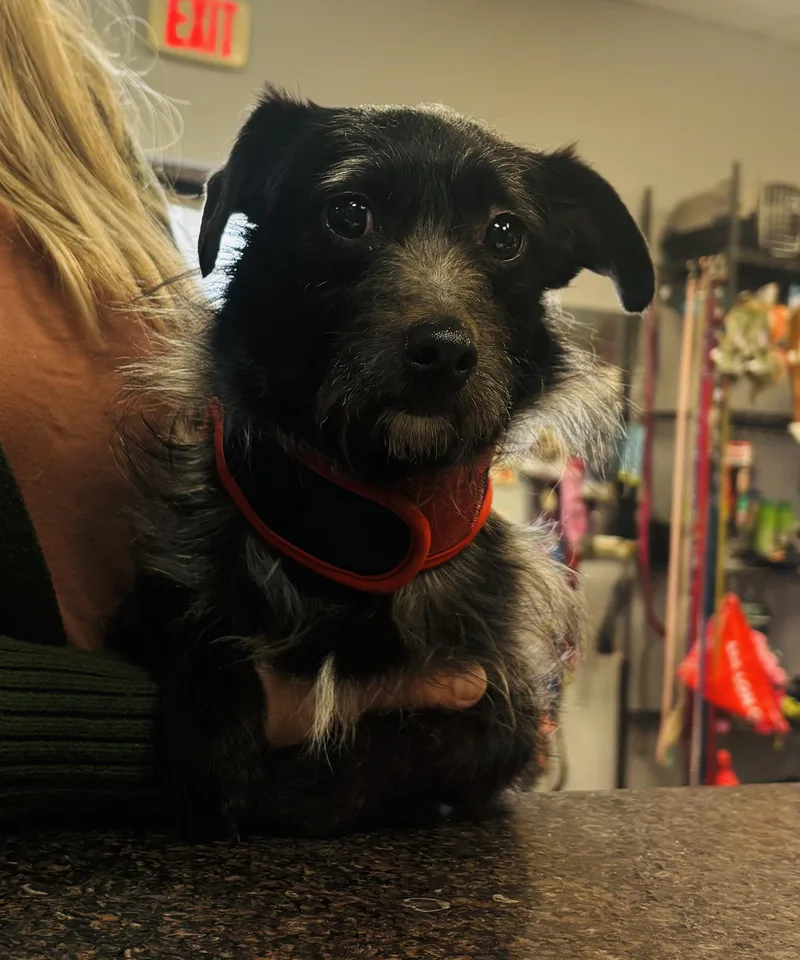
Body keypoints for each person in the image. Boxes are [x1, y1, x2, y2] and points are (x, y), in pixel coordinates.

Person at [0, 0, 487, 823]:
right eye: (352, 216)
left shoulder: (71, 127)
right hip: (121, 815)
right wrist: (161, 728)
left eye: (500, 237)